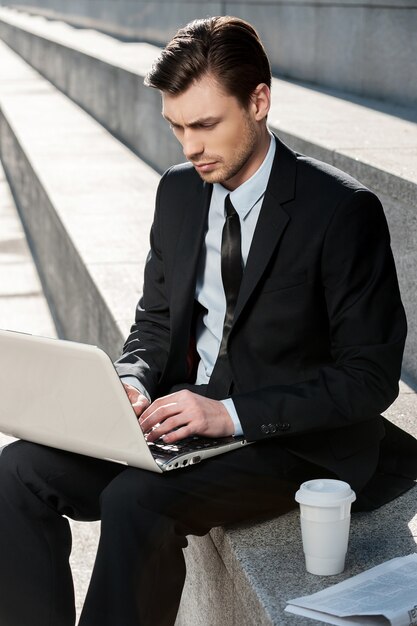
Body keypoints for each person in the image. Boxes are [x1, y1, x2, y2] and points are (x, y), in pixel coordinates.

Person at [0, 15, 416, 626]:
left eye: (205, 124)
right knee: (18, 472)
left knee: (135, 499)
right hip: (186, 419)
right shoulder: (179, 192)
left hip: (289, 438)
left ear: (260, 101)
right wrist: (133, 383)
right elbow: (156, 323)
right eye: (176, 126)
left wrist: (229, 414)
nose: (189, 146)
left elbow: (371, 376)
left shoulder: (342, 211)